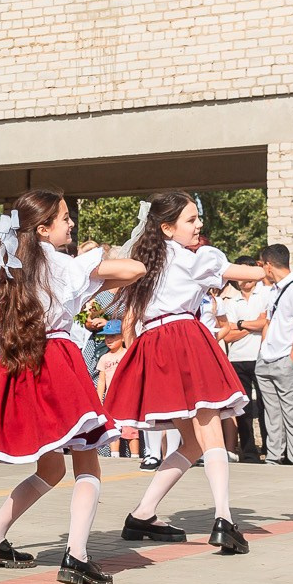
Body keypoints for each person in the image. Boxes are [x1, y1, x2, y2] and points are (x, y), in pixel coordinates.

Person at [0, 191, 145, 584]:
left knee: (51, 467)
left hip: (17, 367)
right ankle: (77, 556)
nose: (71, 224)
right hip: (57, 361)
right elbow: (136, 269)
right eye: (64, 218)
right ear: (43, 228)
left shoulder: (4, 269)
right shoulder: (63, 265)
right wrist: (95, 265)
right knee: (87, 461)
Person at [103, 193, 267, 553]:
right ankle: (224, 519)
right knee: (211, 435)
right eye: (191, 220)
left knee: (192, 442)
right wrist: (266, 271)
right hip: (184, 338)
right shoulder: (189, 257)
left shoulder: (149, 259)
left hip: (157, 344)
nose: (199, 225)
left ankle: (143, 513)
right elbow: (237, 272)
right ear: (167, 227)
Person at [251, 244, 293, 466]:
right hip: (267, 359)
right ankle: (273, 457)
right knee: (271, 412)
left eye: (262, 265)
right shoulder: (274, 290)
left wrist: (292, 360)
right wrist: (262, 351)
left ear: (269, 265)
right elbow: (268, 323)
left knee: (292, 411)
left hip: (287, 359)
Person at [215, 272, 269, 462]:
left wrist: (239, 325)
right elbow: (228, 335)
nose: (245, 280)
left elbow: (266, 323)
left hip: (260, 356)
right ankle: (248, 451)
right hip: (237, 358)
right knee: (243, 408)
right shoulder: (231, 302)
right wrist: (252, 326)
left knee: (265, 406)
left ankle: (269, 449)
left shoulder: (264, 295)